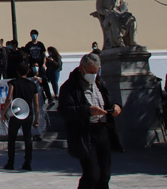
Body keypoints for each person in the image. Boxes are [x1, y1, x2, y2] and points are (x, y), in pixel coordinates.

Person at [58, 52, 123, 189]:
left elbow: (109, 101)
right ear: (81, 69)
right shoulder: (70, 87)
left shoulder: (100, 84)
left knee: (105, 175)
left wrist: (115, 107)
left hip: (103, 131)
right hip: (86, 133)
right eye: (90, 72)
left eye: (96, 71)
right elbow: (65, 111)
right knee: (92, 174)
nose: (93, 75)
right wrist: (88, 111)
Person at [1, 63, 40, 171]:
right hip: (28, 114)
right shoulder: (33, 85)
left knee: (12, 139)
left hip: (16, 113)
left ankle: (11, 163)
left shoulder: (13, 83)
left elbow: (9, 98)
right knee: (28, 139)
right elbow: (36, 103)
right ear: (28, 72)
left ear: (17, 72)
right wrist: (36, 118)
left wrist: (3, 113)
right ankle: (28, 163)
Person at [25, 30, 52, 102]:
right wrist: (27, 65)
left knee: (44, 80)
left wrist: (43, 64)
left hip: (40, 65)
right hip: (32, 65)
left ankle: (49, 97)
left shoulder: (40, 45)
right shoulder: (28, 45)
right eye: (32, 34)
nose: (34, 36)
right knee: (32, 80)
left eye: (35, 34)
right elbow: (27, 56)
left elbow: (44, 54)